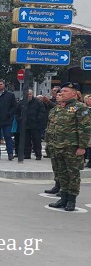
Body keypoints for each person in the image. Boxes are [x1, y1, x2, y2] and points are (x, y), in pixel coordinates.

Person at [46, 83, 91, 211]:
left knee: (73, 174)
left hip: (72, 147)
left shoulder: (80, 108)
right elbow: (53, 128)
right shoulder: (60, 108)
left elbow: (85, 129)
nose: (62, 93)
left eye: (65, 91)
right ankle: (63, 197)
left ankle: (72, 199)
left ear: (73, 93)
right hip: (58, 146)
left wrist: (82, 147)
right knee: (62, 173)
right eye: (62, 91)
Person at [22, 89, 46, 160]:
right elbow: (17, 111)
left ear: (32, 94)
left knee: (37, 141)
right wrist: (20, 119)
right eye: (27, 94)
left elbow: (42, 112)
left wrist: (38, 119)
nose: (29, 96)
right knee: (26, 141)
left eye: (30, 94)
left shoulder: (38, 102)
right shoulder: (22, 102)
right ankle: (27, 155)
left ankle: (38, 154)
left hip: (36, 125)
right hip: (25, 125)